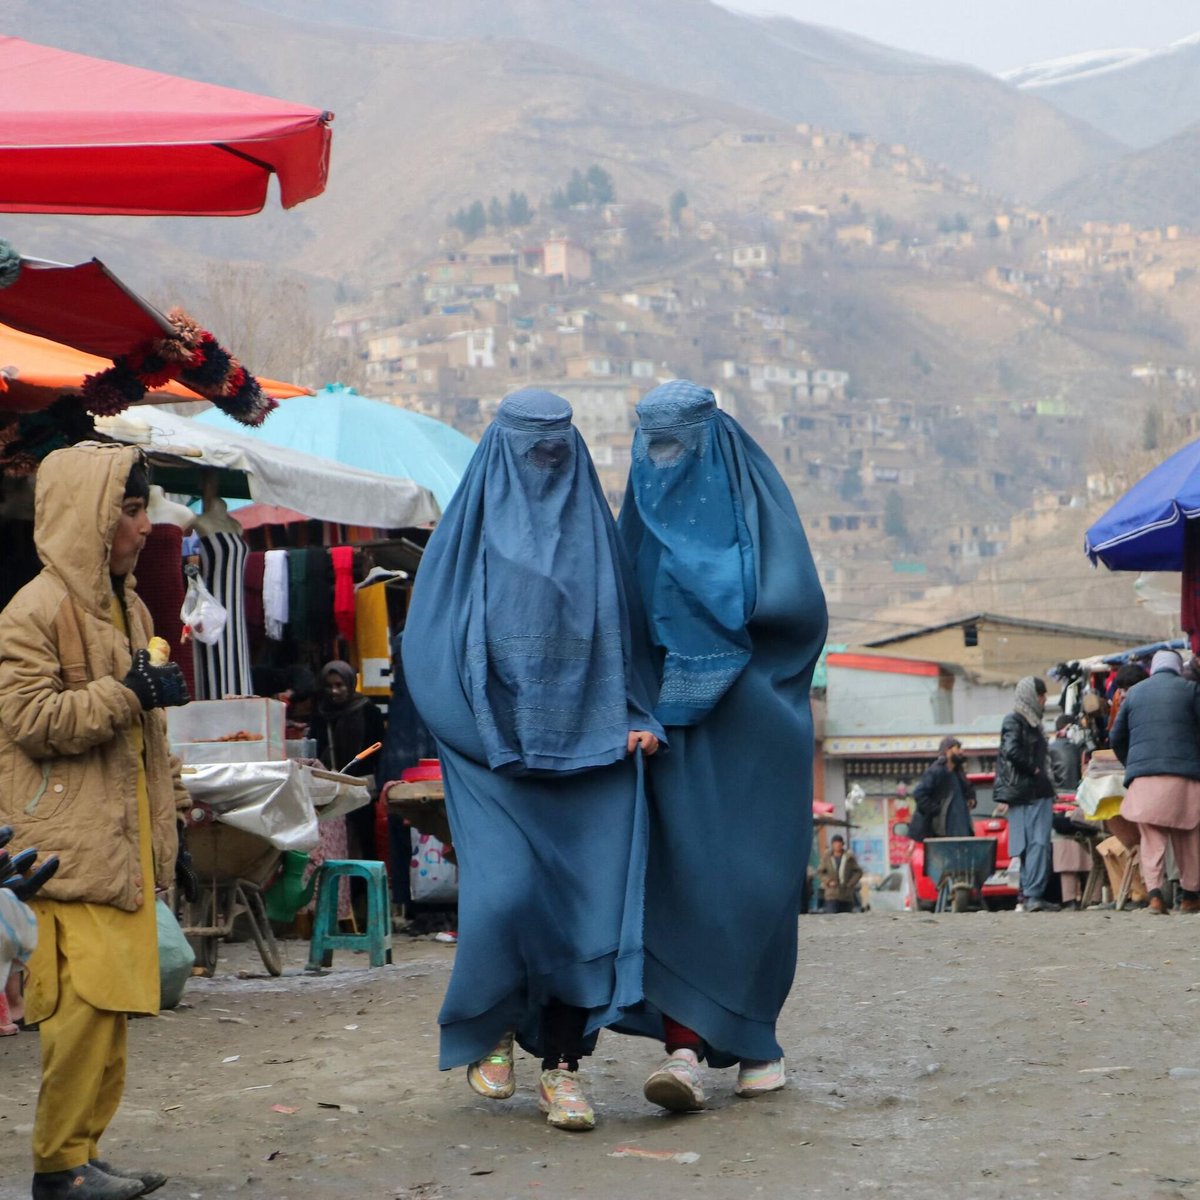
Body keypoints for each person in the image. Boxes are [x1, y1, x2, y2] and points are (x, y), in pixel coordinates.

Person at [401, 389, 663, 1133]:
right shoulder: (467, 536)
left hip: (593, 761)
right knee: (506, 899)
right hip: (493, 760)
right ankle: (493, 1024)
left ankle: (564, 1069)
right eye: (528, 450)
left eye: (555, 450)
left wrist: (639, 719)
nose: (542, 465)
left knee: (585, 918)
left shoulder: (596, 539)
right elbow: (428, 648)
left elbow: (630, 644)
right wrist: (471, 736)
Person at [615, 380, 827, 1113]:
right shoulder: (636, 521)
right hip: (668, 744)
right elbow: (617, 623)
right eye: (652, 445)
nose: (663, 461)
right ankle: (687, 1045)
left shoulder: (761, 516)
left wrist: (724, 664)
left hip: (757, 731)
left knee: (757, 885)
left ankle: (755, 1039)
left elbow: (799, 615)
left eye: (678, 445)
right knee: (684, 886)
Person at [0, 444, 191, 1200]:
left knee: (109, 1017)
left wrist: (171, 801)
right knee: (77, 1016)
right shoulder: (32, 612)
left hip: (123, 847)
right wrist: (129, 691)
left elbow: (147, 734)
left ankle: (81, 1154)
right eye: (131, 510)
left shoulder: (130, 605)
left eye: (145, 508)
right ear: (91, 517)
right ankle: (57, 1168)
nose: (145, 527)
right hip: (65, 848)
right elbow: (29, 720)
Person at [1110, 649, 1200, 916]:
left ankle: (1155, 897)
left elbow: (1116, 736)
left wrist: (1133, 765)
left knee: (1151, 841)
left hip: (1145, 780)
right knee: (1189, 839)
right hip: (1184, 778)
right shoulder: (1191, 689)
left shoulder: (1134, 693)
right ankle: (1189, 897)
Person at [995, 676, 1059, 912]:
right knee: (1036, 843)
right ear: (1033, 696)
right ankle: (1032, 894)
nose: (1043, 702)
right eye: (1041, 697)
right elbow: (1011, 750)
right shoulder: (1016, 721)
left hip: (1032, 791)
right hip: (1029, 791)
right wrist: (1033, 769)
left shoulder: (1031, 723)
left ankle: (1029, 894)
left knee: (1031, 843)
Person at [912, 736, 976, 839]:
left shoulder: (958, 773)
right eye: (957, 748)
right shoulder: (936, 771)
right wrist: (937, 810)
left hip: (962, 832)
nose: (961, 752)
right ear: (948, 750)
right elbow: (919, 794)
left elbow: (968, 788)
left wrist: (971, 798)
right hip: (943, 834)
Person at [817, 836, 863, 913]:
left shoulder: (849, 858)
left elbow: (858, 872)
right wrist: (828, 881)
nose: (837, 845)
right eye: (835, 843)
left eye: (839, 843)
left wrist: (851, 883)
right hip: (831, 894)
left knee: (846, 919)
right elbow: (820, 872)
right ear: (832, 844)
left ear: (842, 844)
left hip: (846, 894)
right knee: (832, 918)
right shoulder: (827, 858)